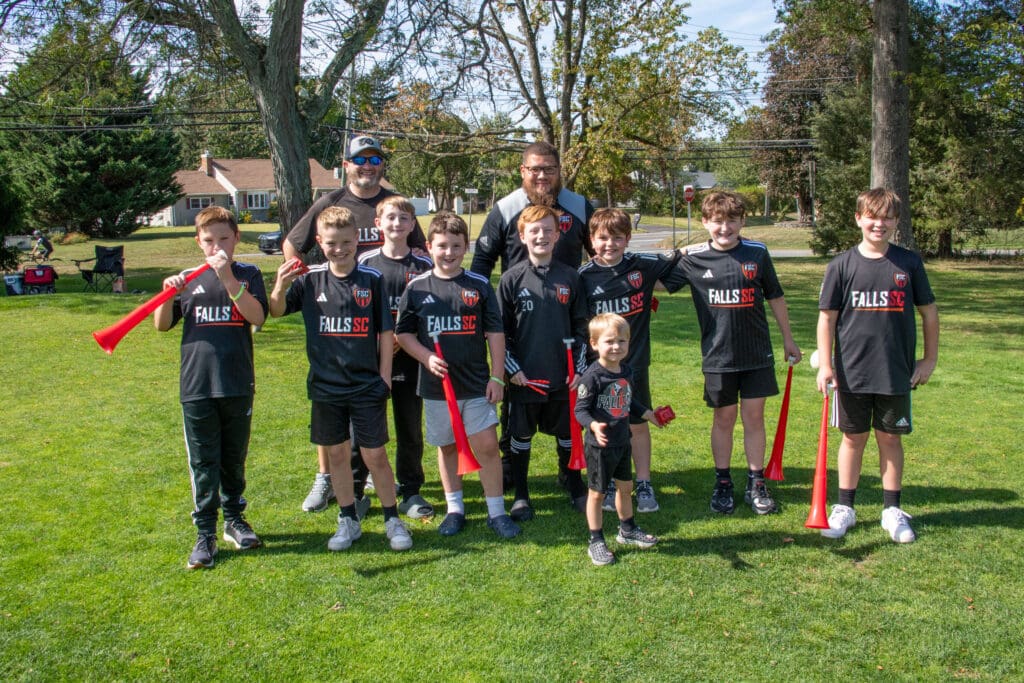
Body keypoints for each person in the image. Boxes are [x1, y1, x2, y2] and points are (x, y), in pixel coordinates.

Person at [284, 135, 427, 516]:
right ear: (346, 164)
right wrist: (310, 286)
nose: (368, 166)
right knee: (338, 418)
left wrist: (402, 332)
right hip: (348, 337)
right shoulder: (330, 202)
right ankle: (332, 480)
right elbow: (293, 244)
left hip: (395, 334)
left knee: (404, 422)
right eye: (360, 159)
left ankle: (405, 488)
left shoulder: (395, 205)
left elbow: (420, 254)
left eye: (375, 159)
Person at [269, 206, 413, 552]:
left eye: (346, 242)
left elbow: (385, 332)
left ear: (357, 240)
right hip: (325, 386)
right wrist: (279, 285)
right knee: (336, 456)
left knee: (375, 455)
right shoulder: (309, 280)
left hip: (366, 385)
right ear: (320, 242)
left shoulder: (371, 279)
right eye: (332, 243)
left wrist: (384, 377)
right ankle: (348, 519)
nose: (340, 249)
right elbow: (275, 310)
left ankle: (392, 518)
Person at [816, 188, 938, 543]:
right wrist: (826, 364)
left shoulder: (908, 263)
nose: (879, 224)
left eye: (887, 217)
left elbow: (929, 313)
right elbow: (827, 318)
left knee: (890, 437)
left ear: (896, 221)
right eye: (872, 216)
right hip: (851, 372)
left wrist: (929, 359)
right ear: (858, 219)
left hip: (895, 371)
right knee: (852, 438)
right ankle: (845, 508)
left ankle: (891, 510)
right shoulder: (841, 265)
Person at [153, 206, 268, 570]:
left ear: (236, 238)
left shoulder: (248, 274)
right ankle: (205, 532)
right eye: (208, 240)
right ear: (198, 242)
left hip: (236, 382)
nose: (217, 246)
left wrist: (227, 278)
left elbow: (257, 316)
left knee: (233, 457)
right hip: (197, 385)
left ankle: (234, 519)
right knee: (204, 462)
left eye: (224, 238)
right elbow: (162, 325)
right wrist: (167, 294)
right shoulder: (189, 279)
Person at [675, 191, 801, 516]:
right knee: (724, 418)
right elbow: (657, 280)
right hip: (718, 357)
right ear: (705, 222)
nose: (725, 228)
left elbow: (775, 296)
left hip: (756, 354)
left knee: (754, 417)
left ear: (742, 221)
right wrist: (678, 252)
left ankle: (756, 481)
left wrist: (788, 339)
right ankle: (723, 481)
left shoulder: (757, 253)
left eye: (732, 220)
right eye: (717, 221)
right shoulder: (694, 258)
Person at [395, 212, 519, 539]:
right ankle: (455, 509)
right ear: (428, 247)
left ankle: (496, 512)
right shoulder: (417, 288)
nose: (448, 252)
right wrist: (426, 357)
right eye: (441, 246)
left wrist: (497, 377)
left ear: (466, 247)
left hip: (476, 384)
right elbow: (403, 334)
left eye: (456, 246)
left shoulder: (478, 285)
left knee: (487, 446)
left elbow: (495, 333)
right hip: (437, 388)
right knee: (448, 447)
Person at [577, 208, 687, 514]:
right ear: (591, 240)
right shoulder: (583, 277)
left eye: (617, 238)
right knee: (603, 424)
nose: (609, 244)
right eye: (602, 238)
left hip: (635, 365)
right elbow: (578, 326)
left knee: (637, 422)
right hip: (599, 370)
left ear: (628, 239)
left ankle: (644, 482)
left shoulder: (642, 266)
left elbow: (679, 258)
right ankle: (607, 482)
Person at [498, 205, 590, 520]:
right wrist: (513, 370)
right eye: (534, 231)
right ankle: (522, 495)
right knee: (520, 437)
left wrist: (578, 369)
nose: (541, 236)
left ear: (557, 235)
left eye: (548, 230)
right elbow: (499, 333)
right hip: (525, 378)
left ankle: (574, 484)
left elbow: (581, 328)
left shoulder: (570, 277)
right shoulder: (511, 279)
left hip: (564, 378)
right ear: (522, 236)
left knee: (568, 433)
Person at [357, 196, 435, 520]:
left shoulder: (423, 266)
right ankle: (357, 490)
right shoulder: (364, 263)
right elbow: (358, 311)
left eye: (404, 218)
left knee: (409, 426)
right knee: (363, 426)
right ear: (378, 223)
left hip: (409, 359)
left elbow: (428, 312)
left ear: (412, 224)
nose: (397, 224)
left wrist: (404, 340)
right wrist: (380, 343)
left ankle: (411, 490)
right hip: (370, 360)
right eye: (390, 217)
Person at [574, 313, 664, 566]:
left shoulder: (626, 371)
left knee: (625, 488)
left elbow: (629, 400)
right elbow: (580, 410)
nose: (616, 347)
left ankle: (627, 529)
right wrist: (593, 425)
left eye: (622, 341)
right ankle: (595, 540)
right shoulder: (592, 376)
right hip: (600, 447)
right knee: (597, 494)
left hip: (623, 441)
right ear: (594, 344)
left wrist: (648, 414)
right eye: (609, 341)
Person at [470, 140, 593, 278]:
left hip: (569, 292)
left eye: (549, 169)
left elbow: (601, 255)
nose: (542, 176)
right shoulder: (505, 209)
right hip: (516, 292)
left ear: (559, 170)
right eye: (535, 169)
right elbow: (482, 260)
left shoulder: (580, 206)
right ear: (523, 171)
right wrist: (478, 291)